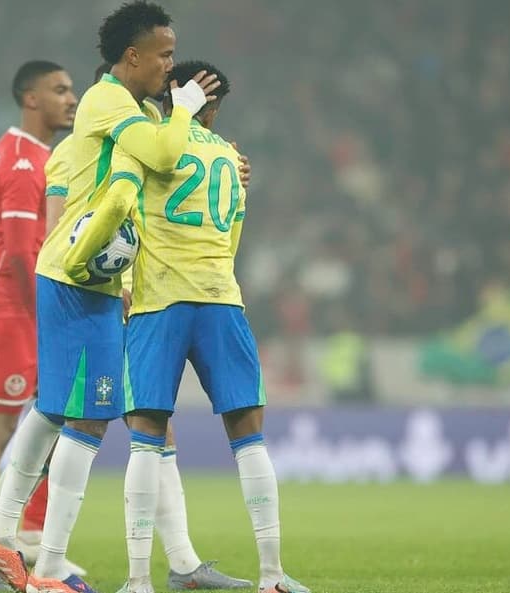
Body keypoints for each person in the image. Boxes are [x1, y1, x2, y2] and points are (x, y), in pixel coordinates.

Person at [0, 3, 221, 593]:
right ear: (131, 55)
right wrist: (183, 110)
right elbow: (161, 156)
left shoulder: (117, 114)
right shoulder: (111, 101)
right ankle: (49, 567)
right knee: (86, 416)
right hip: (83, 279)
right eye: (162, 54)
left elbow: (152, 172)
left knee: (54, 410)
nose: (170, 64)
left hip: (82, 276)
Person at [84, 60, 313, 593]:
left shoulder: (148, 143)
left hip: (159, 302)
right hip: (220, 301)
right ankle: (273, 577)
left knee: (145, 439)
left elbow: (121, 206)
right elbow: (232, 237)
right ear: (213, 107)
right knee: (250, 438)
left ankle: (138, 580)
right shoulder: (232, 159)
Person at [0, 60, 79, 580]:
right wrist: (51, 310)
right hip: (9, 306)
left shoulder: (39, 155)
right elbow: (26, 253)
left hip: (31, 307)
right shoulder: (24, 162)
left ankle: (28, 534)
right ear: (31, 99)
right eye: (60, 90)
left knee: (54, 419)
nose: (72, 98)